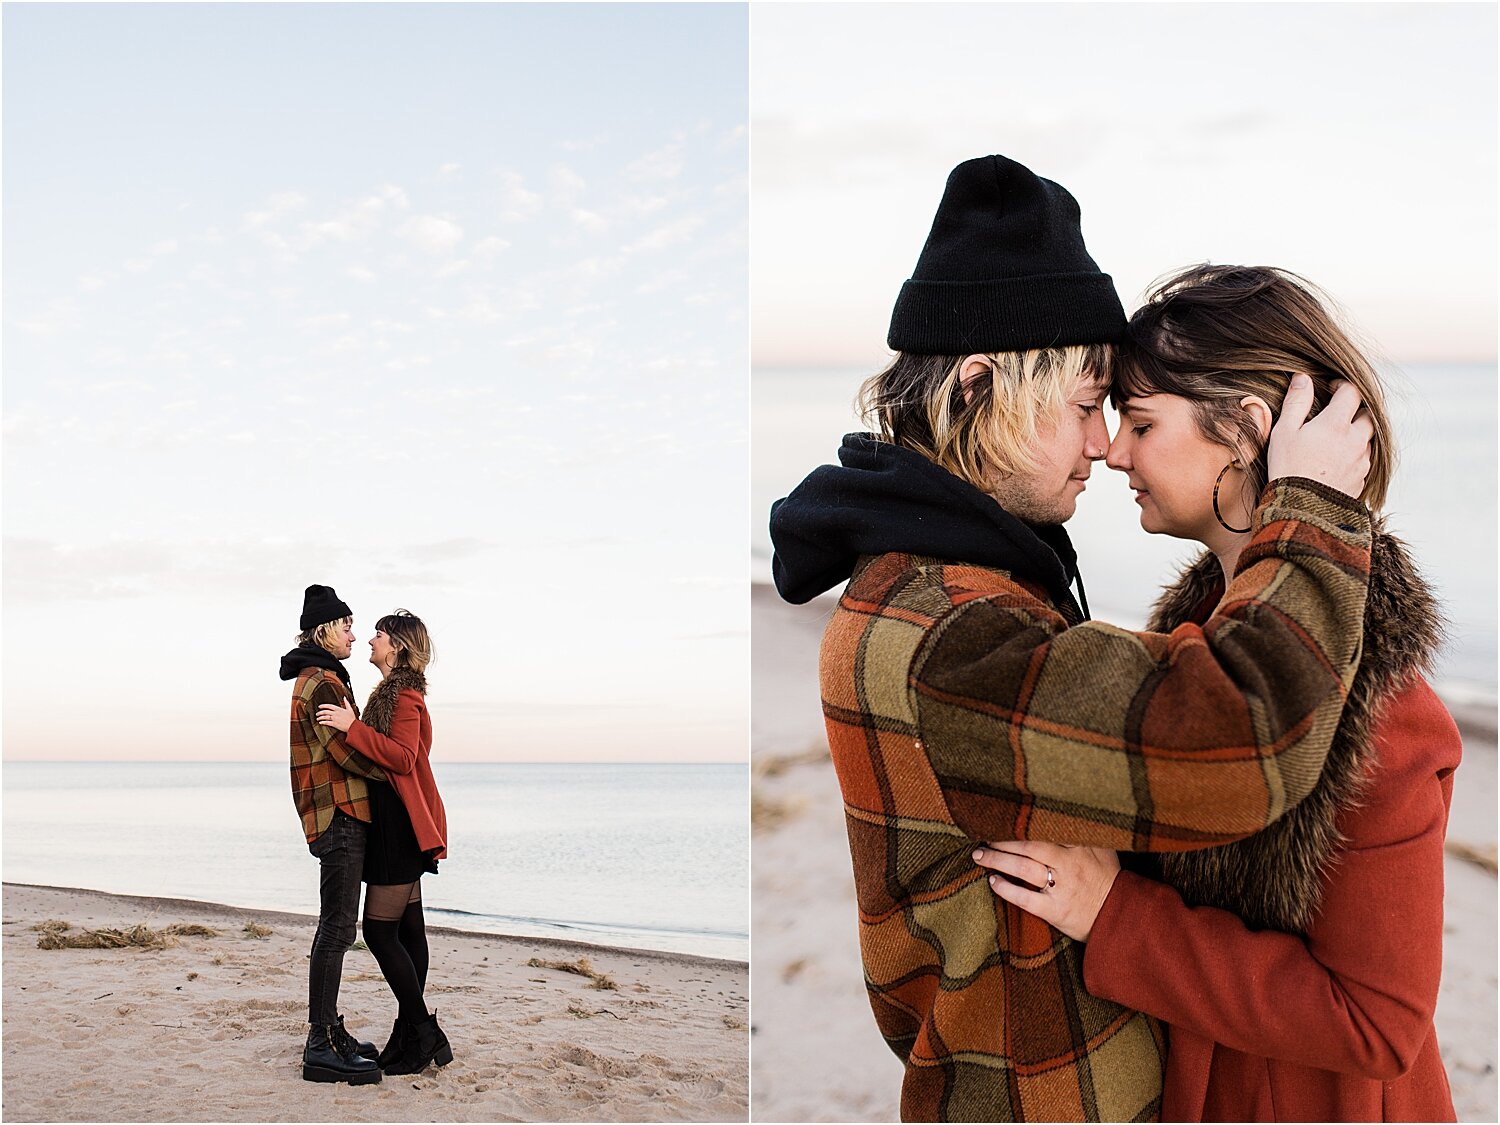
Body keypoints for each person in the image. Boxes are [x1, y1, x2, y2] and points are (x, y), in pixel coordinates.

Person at [768, 155, 1376, 1121]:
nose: (1103, 443)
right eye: (1089, 405)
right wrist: (1314, 513)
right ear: (978, 387)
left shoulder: (954, 575)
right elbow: (1242, 738)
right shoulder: (950, 625)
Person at [972, 264, 1459, 1121]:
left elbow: (1379, 1024)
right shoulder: (1194, 649)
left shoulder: (1382, 706)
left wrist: (1115, 913)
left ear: (1246, 430)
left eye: (1143, 422)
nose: (1114, 449)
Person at [317, 608, 451, 1075]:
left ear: (397, 646)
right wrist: (358, 723)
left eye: (379, 634)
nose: (370, 640)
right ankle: (407, 1036)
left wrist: (351, 727)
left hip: (397, 823)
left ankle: (422, 1031)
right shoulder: (388, 694)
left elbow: (403, 756)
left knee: (377, 931)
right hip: (397, 820)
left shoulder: (406, 695)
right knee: (409, 929)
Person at [279, 583, 384, 1085]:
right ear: (326, 629)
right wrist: (393, 767)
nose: (352, 634)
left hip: (337, 813)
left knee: (338, 928)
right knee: (337, 929)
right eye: (346, 625)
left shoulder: (321, 677)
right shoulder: (322, 682)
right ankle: (319, 1044)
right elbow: (345, 751)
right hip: (340, 813)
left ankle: (329, 1031)